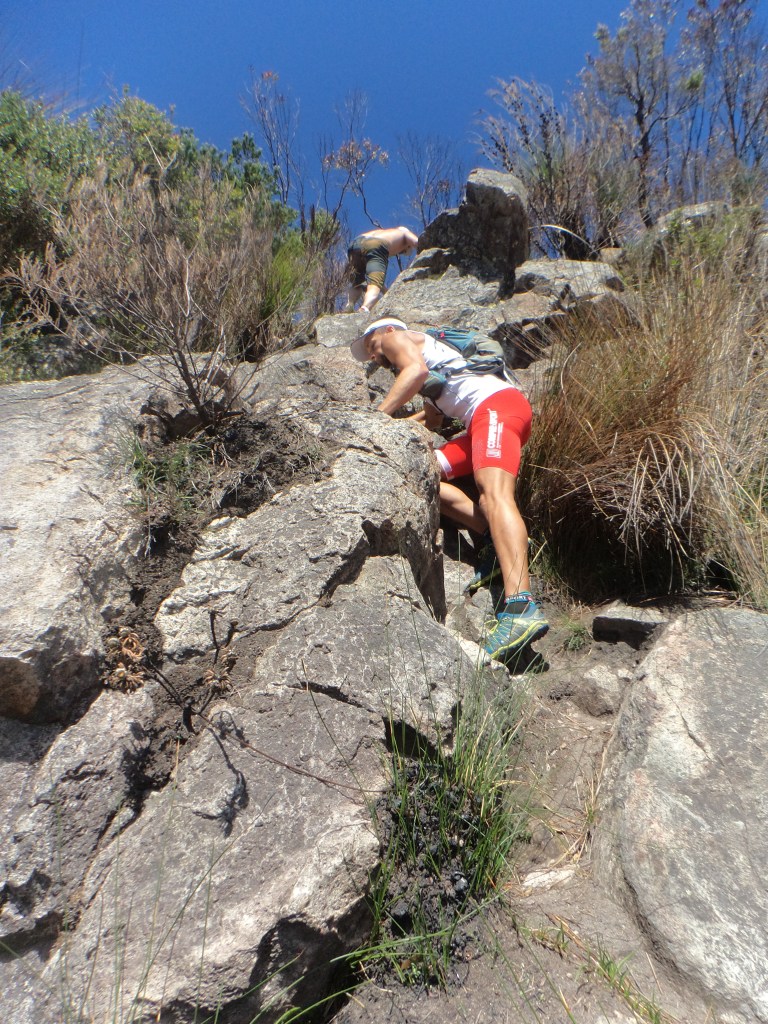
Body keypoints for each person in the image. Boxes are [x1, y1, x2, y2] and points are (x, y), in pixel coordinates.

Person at [350, 316, 549, 662]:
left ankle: (520, 608)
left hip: (496, 409)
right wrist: (394, 428)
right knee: (422, 477)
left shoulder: (399, 340)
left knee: (494, 493)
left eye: (371, 346)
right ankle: (493, 536)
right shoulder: (436, 358)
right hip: (484, 419)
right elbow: (434, 420)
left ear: (387, 330)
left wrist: (374, 419)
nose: (374, 357)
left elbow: (413, 373)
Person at [345, 227, 419, 314]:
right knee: (374, 285)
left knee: (357, 283)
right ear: (408, 246)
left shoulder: (385, 232)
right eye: (403, 251)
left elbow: (374, 278)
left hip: (355, 243)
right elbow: (418, 243)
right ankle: (364, 308)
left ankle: (349, 306)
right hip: (376, 245)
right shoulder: (404, 232)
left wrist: (387, 293)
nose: (400, 252)